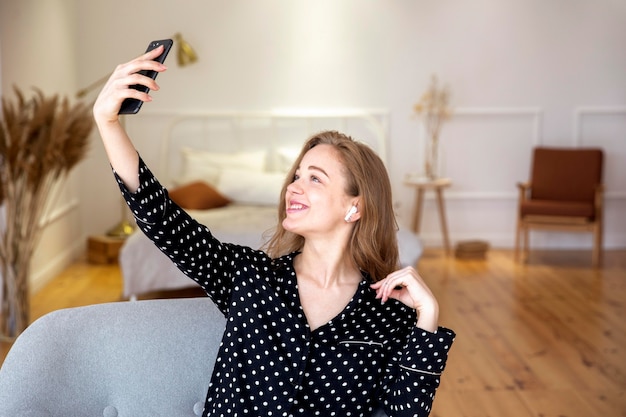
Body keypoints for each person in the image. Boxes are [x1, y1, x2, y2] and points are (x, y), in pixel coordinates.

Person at [93, 45, 455, 417]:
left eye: (315, 178)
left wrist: (427, 316)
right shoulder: (249, 277)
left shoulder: (387, 313)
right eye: (296, 176)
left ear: (355, 206)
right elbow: (166, 221)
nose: (293, 187)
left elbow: (403, 413)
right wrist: (108, 123)